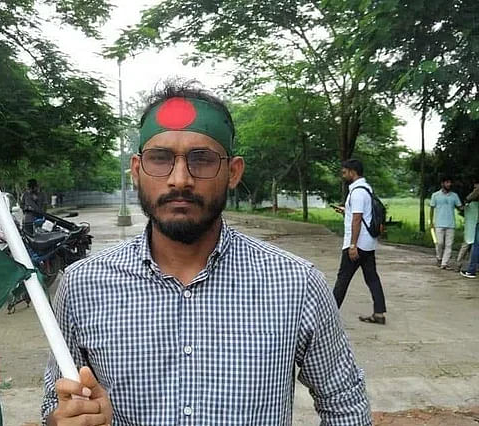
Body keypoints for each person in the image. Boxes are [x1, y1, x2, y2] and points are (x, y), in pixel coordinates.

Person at [41, 82, 371, 425]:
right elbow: (53, 405)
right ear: (137, 171)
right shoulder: (82, 287)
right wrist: (64, 420)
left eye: (202, 160)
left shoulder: (297, 285)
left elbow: (344, 404)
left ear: (233, 172)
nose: (180, 180)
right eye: (160, 159)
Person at [331, 159, 387, 325]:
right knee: (372, 277)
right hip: (368, 243)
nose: (343, 175)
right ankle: (379, 313)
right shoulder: (366, 189)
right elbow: (359, 214)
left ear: (352, 172)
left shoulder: (357, 192)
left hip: (357, 244)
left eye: (344, 172)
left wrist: (353, 245)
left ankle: (328, 316)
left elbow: (357, 219)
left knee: (343, 279)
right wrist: (345, 210)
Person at [430, 176, 463, 269]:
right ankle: (439, 258)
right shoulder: (435, 195)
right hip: (439, 223)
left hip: (450, 224)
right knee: (439, 243)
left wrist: (469, 204)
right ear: (442, 183)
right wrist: (431, 221)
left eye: (450, 182)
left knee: (449, 245)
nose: (449, 184)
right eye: (447, 182)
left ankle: (444, 263)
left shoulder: (454, 195)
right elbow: (432, 209)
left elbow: (460, 206)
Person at [457, 179, 479, 270]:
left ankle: (469, 266)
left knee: (471, 244)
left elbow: (470, 197)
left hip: (474, 222)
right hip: (473, 221)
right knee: (469, 243)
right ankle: (461, 263)